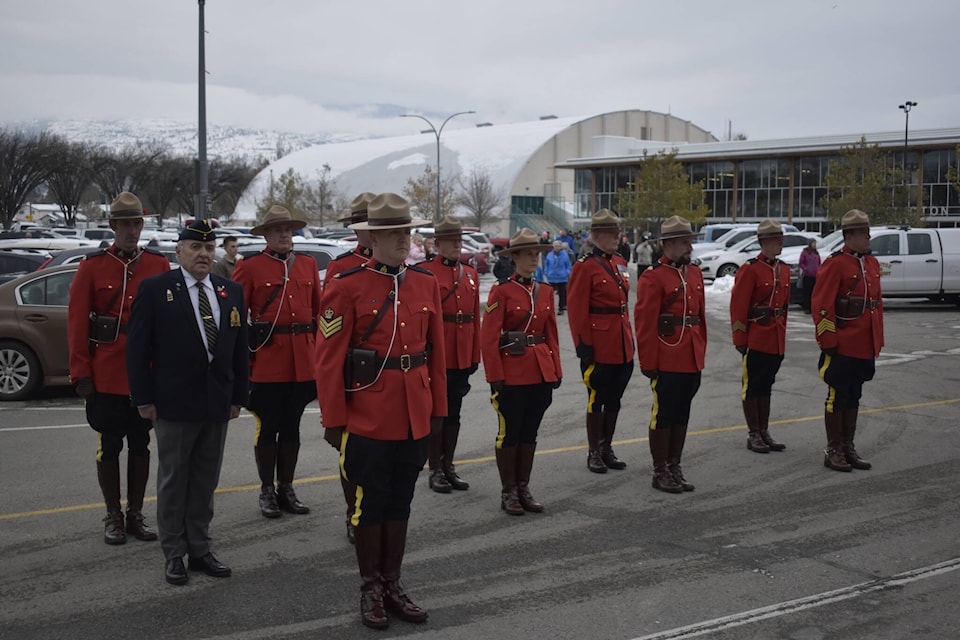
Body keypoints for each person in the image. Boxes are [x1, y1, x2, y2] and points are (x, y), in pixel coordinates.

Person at [315, 193, 445, 629]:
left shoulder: (424, 282)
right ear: (372, 237)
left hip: (414, 411)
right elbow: (329, 359)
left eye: (406, 232)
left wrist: (438, 410)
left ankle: (393, 582)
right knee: (368, 505)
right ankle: (370, 586)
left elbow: (436, 354)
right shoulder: (346, 284)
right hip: (368, 413)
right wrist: (334, 419)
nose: (402, 240)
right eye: (393, 233)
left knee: (401, 501)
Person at [126, 219, 247, 586]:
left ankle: (200, 548)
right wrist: (143, 399)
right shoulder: (156, 288)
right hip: (174, 403)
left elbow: (239, 350)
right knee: (174, 480)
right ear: (179, 251)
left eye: (209, 248)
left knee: (205, 480)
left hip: (217, 402)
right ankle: (174, 552)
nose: (204, 254)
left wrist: (238, 396)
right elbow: (137, 350)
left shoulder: (230, 290)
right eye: (196, 247)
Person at [67, 191, 170, 545]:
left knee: (141, 445)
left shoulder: (157, 265)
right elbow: (77, 323)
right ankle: (112, 514)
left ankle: (136, 514)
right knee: (109, 445)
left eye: (137, 223)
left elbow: (166, 324)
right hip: (106, 373)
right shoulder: (92, 266)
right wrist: (81, 373)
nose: (132, 230)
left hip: (144, 374)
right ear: (112, 226)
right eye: (125, 224)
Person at [232, 205, 322, 518]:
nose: (285, 234)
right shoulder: (250, 266)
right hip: (268, 360)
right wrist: (242, 361)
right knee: (268, 426)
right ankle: (266, 490)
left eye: (288, 229)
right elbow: (235, 318)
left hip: (302, 360)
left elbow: (318, 312)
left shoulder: (308, 264)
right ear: (266, 235)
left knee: (293, 426)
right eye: (278, 230)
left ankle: (287, 487)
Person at [481, 228, 562, 516]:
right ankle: (509, 491)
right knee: (510, 433)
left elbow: (551, 334)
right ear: (514, 257)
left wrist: (556, 369)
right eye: (527, 254)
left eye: (536, 254)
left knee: (530, 432)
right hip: (512, 373)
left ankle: (524, 487)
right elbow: (489, 337)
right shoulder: (501, 291)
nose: (533, 260)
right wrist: (495, 376)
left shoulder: (546, 291)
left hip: (540, 371)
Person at [634, 216, 706, 494]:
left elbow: (700, 318)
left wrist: (700, 350)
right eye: (685, 241)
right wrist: (649, 362)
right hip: (667, 354)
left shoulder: (695, 274)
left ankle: (675, 465)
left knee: (682, 412)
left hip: (690, 354)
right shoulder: (653, 276)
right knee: (664, 413)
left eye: (690, 240)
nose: (690, 246)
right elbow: (645, 322)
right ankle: (660, 469)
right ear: (669, 244)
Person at [811, 209, 883, 472]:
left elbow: (876, 305)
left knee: (854, 394)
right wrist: (828, 339)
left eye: (868, 231)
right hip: (842, 342)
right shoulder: (835, 263)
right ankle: (833, 449)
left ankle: (848, 446)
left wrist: (877, 338)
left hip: (864, 342)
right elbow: (821, 305)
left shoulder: (871, 263)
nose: (868, 237)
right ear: (849, 235)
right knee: (837, 396)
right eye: (864, 232)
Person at [322, 191, 376, 543]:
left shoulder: (402, 271)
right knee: (353, 454)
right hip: (356, 378)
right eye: (364, 225)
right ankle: (352, 512)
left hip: (388, 381)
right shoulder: (341, 270)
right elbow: (331, 339)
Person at [567, 209, 635, 473]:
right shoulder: (585, 266)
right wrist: (584, 345)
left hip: (620, 342)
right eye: (611, 233)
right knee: (597, 397)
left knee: (615, 398)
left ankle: (607, 447)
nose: (617, 237)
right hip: (599, 343)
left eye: (617, 233)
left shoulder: (618, 261)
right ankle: (594, 451)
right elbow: (576, 309)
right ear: (596, 236)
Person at [418, 216, 481, 493]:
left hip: (461, 354)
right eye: (451, 241)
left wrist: (474, 355)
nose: (457, 245)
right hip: (436, 354)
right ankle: (435, 470)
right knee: (436, 413)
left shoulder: (470, 273)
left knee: (454, 412)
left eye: (459, 240)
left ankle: (449, 465)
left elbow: (474, 316)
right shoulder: (424, 272)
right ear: (438, 243)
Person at [729, 219, 790, 454]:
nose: (780, 244)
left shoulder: (783, 269)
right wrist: (740, 339)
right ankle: (753, 433)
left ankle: (764, 431)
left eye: (781, 239)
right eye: (776, 240)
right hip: (756, 337)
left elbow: (783, 307)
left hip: (775, 337)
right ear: (764, 242)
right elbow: (738, 306)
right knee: (752, 387)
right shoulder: (751, 269)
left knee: (767, 385)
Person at [543, 240, 572, 315]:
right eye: (555, 246)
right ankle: (550, 307)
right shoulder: (549, 255)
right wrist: (546, 272)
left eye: (558, 246)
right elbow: (546, 264)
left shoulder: (565, 255)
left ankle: (561, 308)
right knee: (550, 293)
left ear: (561, 247)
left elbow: (568, 265)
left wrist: (566, 273)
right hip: (552, 277)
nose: (557, 247)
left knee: (561, 294)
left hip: (562, 277)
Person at [798, 238, 821, 313]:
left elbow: (819, 263)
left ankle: (813, 307)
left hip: (815, 276)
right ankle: (807, 307)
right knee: (807, 292)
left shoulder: (816, 253)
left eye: (815, 243)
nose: (814, 245)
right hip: (807, 276)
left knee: (814, 293)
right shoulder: (805, 252)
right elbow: (801, 263)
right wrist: (806, 269)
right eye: (813, 243)